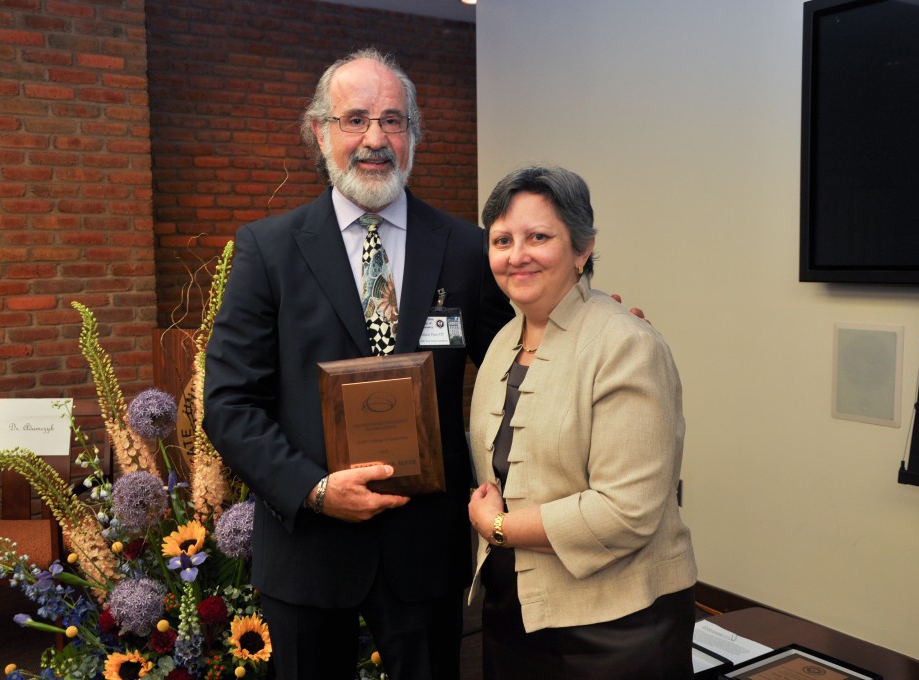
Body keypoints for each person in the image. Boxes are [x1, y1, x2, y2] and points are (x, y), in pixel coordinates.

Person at [202, 48, 514, 680]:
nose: (375, 139)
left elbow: (517, 358)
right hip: (308, 547)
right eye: (355, 120)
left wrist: (587, 324)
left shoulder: (463, 248)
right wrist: (314, 491)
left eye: (393, 121)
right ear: (320, 132)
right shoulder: (266, 250)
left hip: (425, 546)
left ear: (413, 136)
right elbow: (229, 404)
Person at [467, 165, 697, 680]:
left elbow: (626, 511)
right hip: (516, 614)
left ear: (582, 249)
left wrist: (497, 527)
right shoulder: (503, 341)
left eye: (539, 237)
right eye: (502, 240)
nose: (517, 254)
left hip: (616, 631)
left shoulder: (626, 344)